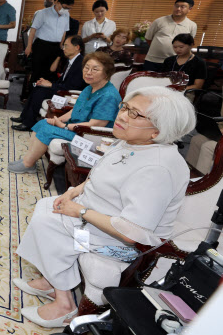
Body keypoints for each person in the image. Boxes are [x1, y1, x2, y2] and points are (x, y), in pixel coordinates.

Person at [13, 87, 196, 327]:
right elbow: (100, 174)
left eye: (135, 114)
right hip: (97, 220)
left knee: (48, 222)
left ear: (158, 131)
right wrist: (75, 191)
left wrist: (79, 211)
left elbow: (131, 232)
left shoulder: (158, 169)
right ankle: (53, 281)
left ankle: (64, 304)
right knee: (47, 206)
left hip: (117, 243)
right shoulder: (132, 141)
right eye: (126, 107)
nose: (121, 115)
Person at [9, 51, 121, 174]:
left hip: (88, 135)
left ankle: (28, 164)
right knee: (43, 123)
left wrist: (65, 126)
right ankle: (29, 159)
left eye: (95, 69)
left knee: (47, 130)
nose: (88, 72)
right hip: (76, 128)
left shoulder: (109, 95)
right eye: (86, 68)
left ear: (107, 73)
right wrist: (59, 120)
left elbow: (97, 124)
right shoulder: (90, 87)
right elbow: (76, 109)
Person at [11, 35, 87, 130]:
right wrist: (47, 82)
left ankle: (29, 123)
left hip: (69, 94)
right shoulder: (71, 61)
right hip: (63, 89)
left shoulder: (81, 63)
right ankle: (25, 117)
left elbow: (72, 86)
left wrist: (51, 85)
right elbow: (62, 80)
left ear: (77, 47)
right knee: (38, 86)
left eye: (66, 46)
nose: (63, 48)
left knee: (40, 92)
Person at [24, 0, 75, 99]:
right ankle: (30, 97)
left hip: (56, 47)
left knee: (51, 74)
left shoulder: (66, 15)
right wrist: (29, 46)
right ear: (58, 3)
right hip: (41, 45)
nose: (66, 10)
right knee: (37, 72)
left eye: (69, 8)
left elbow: (64, 32)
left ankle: (44, 98)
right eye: (65, 7)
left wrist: (62, 45)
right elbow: (33, 30)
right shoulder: (43, 13)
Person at [144, 0, 197, 71]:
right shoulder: (159, 21)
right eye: (176, 6)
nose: (178, 9)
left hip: (174, 62)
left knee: (169, 82)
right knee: (148, 81)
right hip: (153, 60)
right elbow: (148, 38)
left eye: (182, 7)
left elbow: (187, 44)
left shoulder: (192, 25)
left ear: (189, 9)